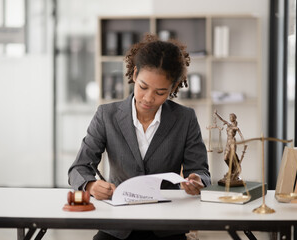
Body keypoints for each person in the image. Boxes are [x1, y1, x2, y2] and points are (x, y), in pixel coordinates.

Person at [68, 33, 211, 240]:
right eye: (143, 87)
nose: (148, 98)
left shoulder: (185, 118)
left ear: (173, 88)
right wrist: (90, 185)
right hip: (117, 227)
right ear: (134, 74)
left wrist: (196, 181)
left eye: (160, 92)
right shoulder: (106, 115)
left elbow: (201, 171)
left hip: (167, 227)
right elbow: (78, 168)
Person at [214, 110, 245, 186]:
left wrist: (244, 142)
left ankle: (235, 171)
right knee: (225, 158)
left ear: (234, 118)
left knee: (233, 157)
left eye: (231, 117)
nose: (230, 118)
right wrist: (216, 114)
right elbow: (222, 119)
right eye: (230, 117)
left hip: (232, 142)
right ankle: (232, 170)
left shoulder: (235, 127)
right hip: (227, 143)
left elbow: (241, 135)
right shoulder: (229, 125)